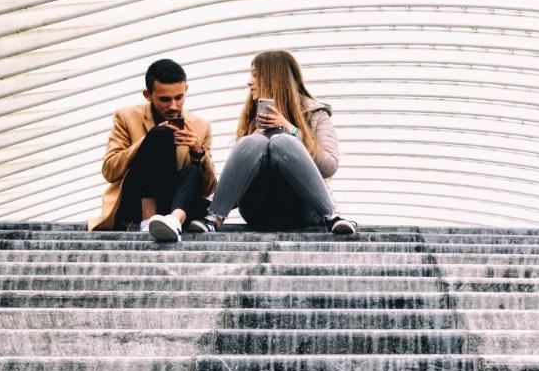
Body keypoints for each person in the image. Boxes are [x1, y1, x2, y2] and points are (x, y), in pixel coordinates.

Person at [193, 50, 357, 235]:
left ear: (273, 78)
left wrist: (291, 130)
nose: (249, 82)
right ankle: (214, 218)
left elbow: (329, 167)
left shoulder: (316, 113)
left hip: (301, 209)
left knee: (283, 141)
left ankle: (332, 217)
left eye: (255, 75)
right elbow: (239, 172)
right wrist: (255, 139)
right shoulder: (253, 114)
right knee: (253, 143)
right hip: (259, 209)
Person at [87, 58, 217, 242]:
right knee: (160, 135)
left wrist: (198, 151)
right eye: (165, 99)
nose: (173, 106)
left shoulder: (200, 125)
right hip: (135, 200)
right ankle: (148, 220)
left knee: (193, 170)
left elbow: (207, 188)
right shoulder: (126, 117)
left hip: (174, 202)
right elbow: (110, 171)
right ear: (148, 94)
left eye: (179, 97)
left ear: (186, 90)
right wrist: (147, 140)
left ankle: (174, 221)